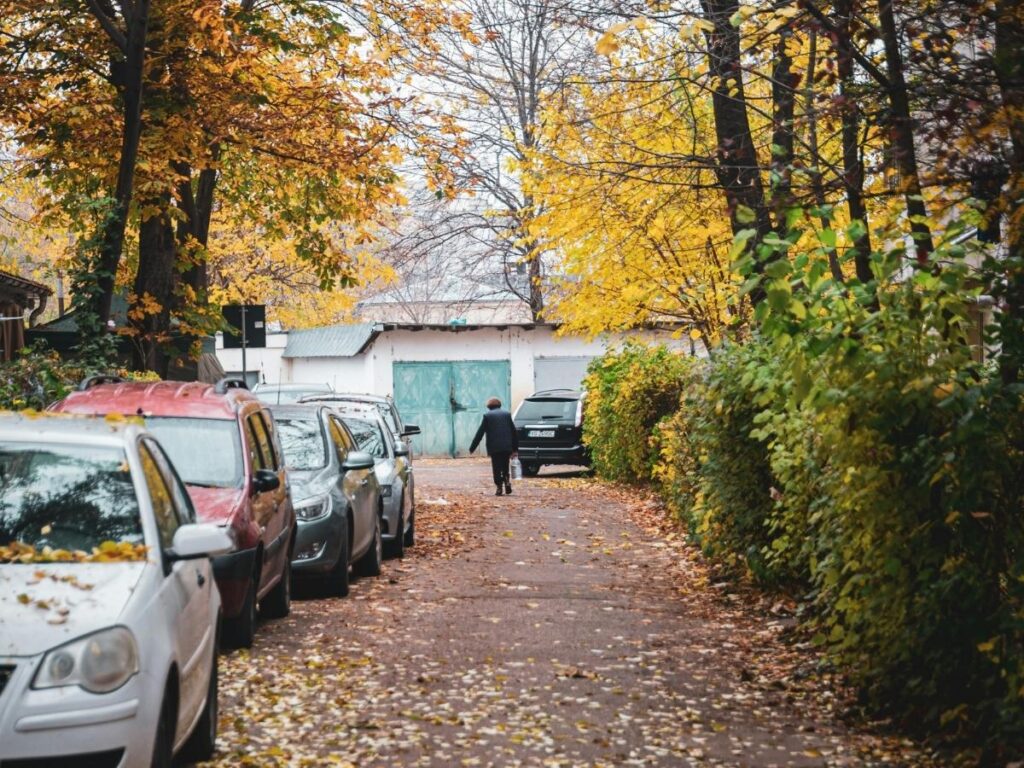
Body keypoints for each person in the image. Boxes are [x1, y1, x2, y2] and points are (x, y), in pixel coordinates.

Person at [469, 397, 519, 496]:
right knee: (505, 465)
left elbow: (480, 433)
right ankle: (507, 481)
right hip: (506, 446)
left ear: (489, 406)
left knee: (496, 467)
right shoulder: (507, 415)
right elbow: (514, 432)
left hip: (494, 447)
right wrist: (515, 449)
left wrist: (472, 447)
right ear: (499, 405)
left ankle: (499, 487)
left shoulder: (487, 416)